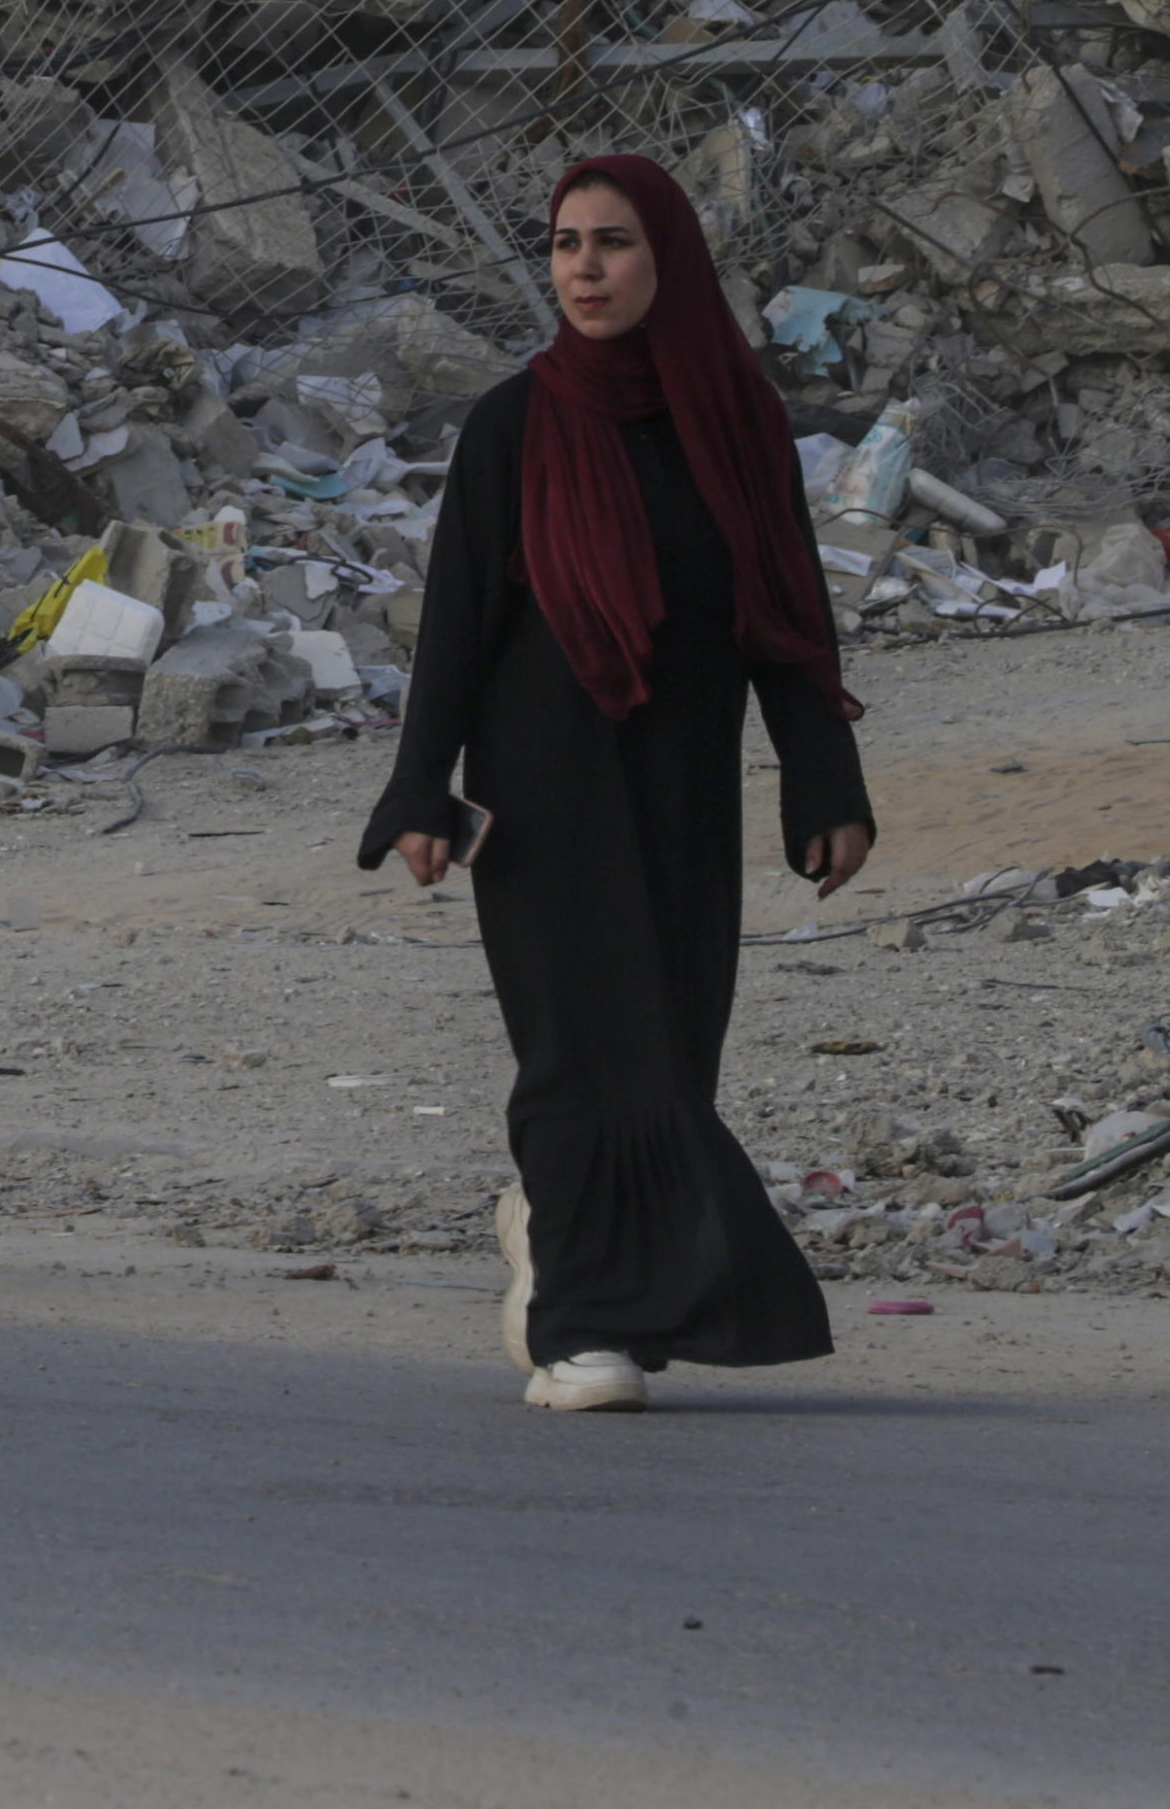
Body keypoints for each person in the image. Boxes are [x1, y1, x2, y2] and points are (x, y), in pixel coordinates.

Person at [358, 154, 878, 1413]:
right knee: (580, 1047)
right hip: (539, 788)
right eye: (563, 245)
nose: (582, 269)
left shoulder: (737, 421)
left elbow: (785, 615)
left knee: (669, 1047)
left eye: (611, 244)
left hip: (682, 780)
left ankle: (567, 1245)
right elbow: (458, 631)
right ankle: (583, 1324)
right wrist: (418, 790)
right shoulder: (513, 424)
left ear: (669, 262)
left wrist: (823, 780)